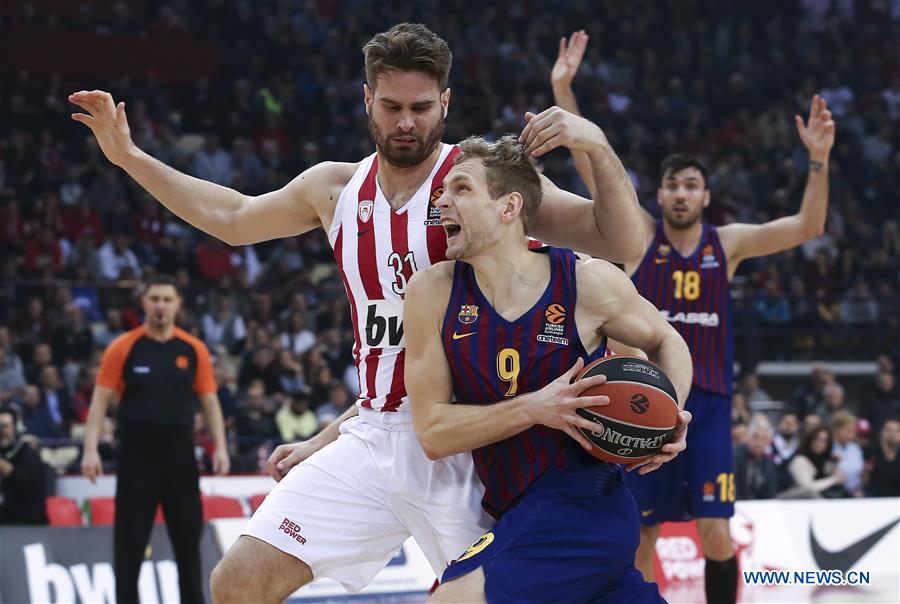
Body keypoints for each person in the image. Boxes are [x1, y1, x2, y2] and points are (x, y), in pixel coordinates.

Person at [70, 23, 648, 601]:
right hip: (372, 435)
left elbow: (620, 241)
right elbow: (233, 217)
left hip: (471, 443)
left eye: (421, 108)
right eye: (392, 106)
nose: (406, 122)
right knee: (237, 582)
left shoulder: (481, 186)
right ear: (367, 99)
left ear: (445, 103)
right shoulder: (334, 188)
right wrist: (129, 157)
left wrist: (595, 144)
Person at [551, 29, 835, 604]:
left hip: (708, 408)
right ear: (659, 195)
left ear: (706, 196)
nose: (680, 194)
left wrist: (818, 160)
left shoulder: (725, 244)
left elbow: (808, 226)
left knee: (717, 535)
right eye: (671, 186)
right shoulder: (639, 238)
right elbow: (590, 167)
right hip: (641, 401)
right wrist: (563, 89)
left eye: (691, 186)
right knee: (640, 537)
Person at [404, 135, 692, 603]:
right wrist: (534, 408)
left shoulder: (586, 281)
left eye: (461, 188)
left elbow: (667, 339)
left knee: (451, 599)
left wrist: (670, 413)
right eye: (442, 191)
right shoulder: (432, 292)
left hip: (583, 496)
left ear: (509, 206)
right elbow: (433, 433)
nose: (441, 201)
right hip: (515, 506)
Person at [81, 275, 230, 604]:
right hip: (137, 457)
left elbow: (209, 402)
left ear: (178, 304)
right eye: (155, 299)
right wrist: (90, 449)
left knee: (188, 544)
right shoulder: (124, 347)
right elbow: (100, 401)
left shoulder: (193, 349)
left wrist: (220, 446)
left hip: (180, 456)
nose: (161, 305)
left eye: (167, 299)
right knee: (129, 545)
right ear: (144, 303)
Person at [0, 405, 49, 525]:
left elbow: (25, 483)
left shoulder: (28, 453)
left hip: (29, 524)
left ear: (15, 428)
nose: (1, 431)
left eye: (4, 426)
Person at [780, 426, 846, 499]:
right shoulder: (800, 460)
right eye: (817, 440)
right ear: (809, 440)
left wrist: (835, 464)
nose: (820, 444)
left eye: (824, 441)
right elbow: (808, 488)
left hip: (814, 499)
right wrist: (833, 480)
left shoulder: (825, 460)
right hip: (789, 498)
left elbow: (839, 478)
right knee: (812, 495)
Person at [733, 416, 778, 500]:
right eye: (755, 437)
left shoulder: (768, 462)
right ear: (748, 437)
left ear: (768, 442)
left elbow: (770, 493)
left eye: (763, 439)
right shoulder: (736, 455)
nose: (758, 443)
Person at [830, 410, 864, 497]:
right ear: (836, 429)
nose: (851, 434)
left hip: (856, 493)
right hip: (834, 494)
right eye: (848, 430)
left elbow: (859, 473)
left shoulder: (855, 448)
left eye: (853, 431)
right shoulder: (828, 448)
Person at [866, 418, 900, 497]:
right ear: (881, 432)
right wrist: (866, 472)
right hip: (876, 500)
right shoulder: (871, 453)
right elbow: (865, 481)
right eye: (889, 430)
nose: (892, 434)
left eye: (896, 431)